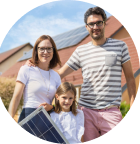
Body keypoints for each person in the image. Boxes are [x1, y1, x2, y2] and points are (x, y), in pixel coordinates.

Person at [25, 6, 136, 142]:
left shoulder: (120, 46)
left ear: (104, 23)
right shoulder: (81, 51)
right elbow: (59, 74)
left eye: (99, 22)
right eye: (91, 24)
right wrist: (36, 66)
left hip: (111, 111)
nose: (95, 26)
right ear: (86, 27)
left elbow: (130, 78)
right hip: (86, 112)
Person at [8, 35, 61, 123]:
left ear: (53, 51)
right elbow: (16, 97)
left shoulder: (56, 76)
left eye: (49, 48)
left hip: (48, 118)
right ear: (36, 51)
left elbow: (61, 100)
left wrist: (51, 107)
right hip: (28, 116)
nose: (45, 52)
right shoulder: (26, 69)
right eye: (42, 49)